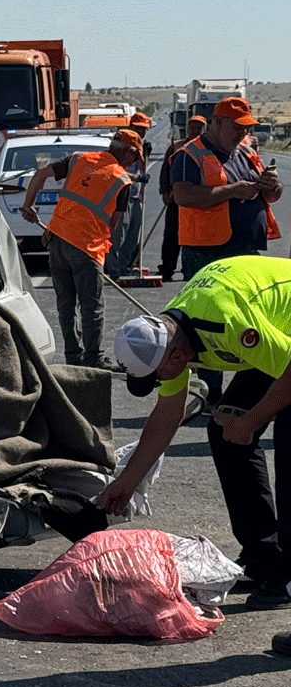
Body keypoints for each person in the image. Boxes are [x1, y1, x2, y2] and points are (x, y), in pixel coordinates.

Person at [102, 255, 291, 610]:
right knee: (224, 433)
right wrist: (126, 482)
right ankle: (266, 555)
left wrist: (249, 422)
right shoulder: (169, 336)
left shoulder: (226, 323)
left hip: (284, 345)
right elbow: (166, 417)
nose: (160, 381)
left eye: (156, 375)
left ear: (173, 357)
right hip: (278, 340)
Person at [171, 96, 282, 411]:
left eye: (245, 127)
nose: (241, 133)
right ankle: (209, 394)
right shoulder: (189, 154)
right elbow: (182, 195)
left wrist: (272, 186)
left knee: (255, 320)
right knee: (208, 324)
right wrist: (231, 191)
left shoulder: (246, 151)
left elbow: (271, 193)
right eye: (236, 127)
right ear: (217, 123)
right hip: (207, 251)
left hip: (246, 250)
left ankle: (251, 394)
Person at [19, 129, 142, 370]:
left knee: (66, 303)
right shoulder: (121, 180)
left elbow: (42, 172)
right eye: (134, 157)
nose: (134, 163)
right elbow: (113, 224)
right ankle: (93, 358)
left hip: (56, 240)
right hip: (86, 246)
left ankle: (73, 357)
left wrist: (28, 205)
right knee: (91, 306)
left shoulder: (78, 159)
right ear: (127, 151)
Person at [156, 115, 207, 282]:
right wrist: (165, 191)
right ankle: (167, 269)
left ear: (204, 129)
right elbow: (165, 170)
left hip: (198, 200)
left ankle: (189, 269)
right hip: (176, 199)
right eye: (193, 127)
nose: (195, 130)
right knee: (171, 235)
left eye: (199, 127)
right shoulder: (177, 147)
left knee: (194, 236)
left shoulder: (209, 148)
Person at [106, 112, 153, 278]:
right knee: (117, 234)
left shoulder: (141, 146)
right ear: (131, 126)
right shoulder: (122, 146)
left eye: (144, 129)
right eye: (139, 128)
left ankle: (124, 265)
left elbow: (142, 169)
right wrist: (137, 178)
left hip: (134, 197)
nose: (142, 132)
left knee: (133, 235)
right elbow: (118, 172)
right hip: (120, 196)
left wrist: (141, 191)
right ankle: (113, 268)